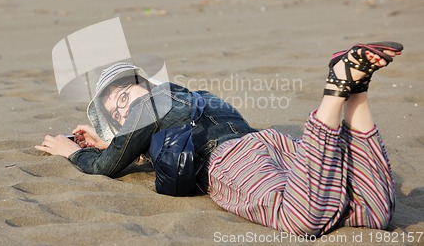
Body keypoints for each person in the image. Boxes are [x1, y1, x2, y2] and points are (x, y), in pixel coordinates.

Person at [36, 41, 403, 237]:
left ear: (143, 85)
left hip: (231, 161)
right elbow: (167, 142)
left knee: (301, 217)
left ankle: (336, 90)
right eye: (115, 114)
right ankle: (357, 91)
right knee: (368, 213)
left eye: (122, 99)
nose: (122, 113)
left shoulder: (147, 105)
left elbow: (105, 167)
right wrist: (110, 142)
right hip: (271, 144)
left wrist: (72, 152)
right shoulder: (189, 96)